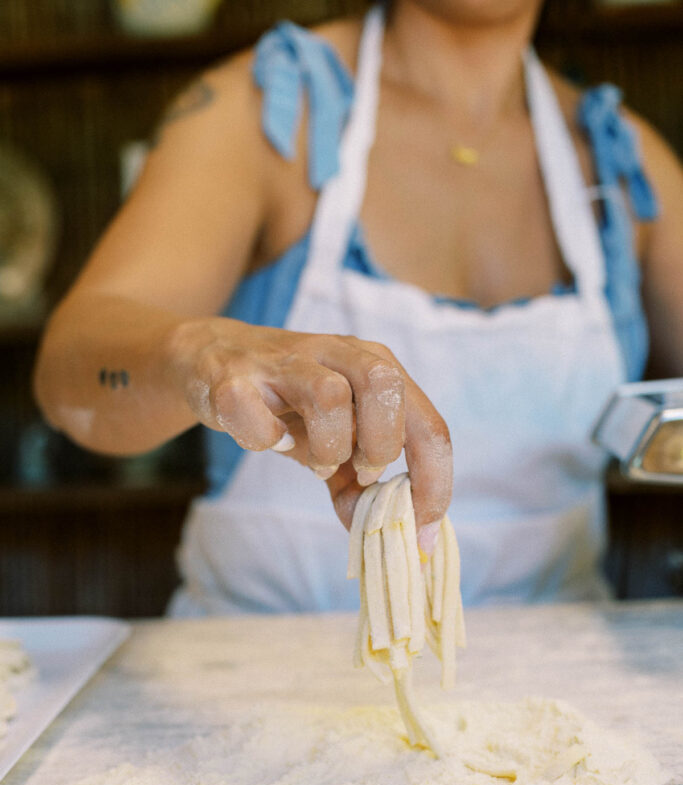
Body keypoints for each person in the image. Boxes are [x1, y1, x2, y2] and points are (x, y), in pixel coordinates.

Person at [33, 0, 683, 616]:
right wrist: (200, 357)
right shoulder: (269, 111)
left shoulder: (622, 163)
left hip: (565, 698)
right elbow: (70, 374)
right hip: (250, 681)